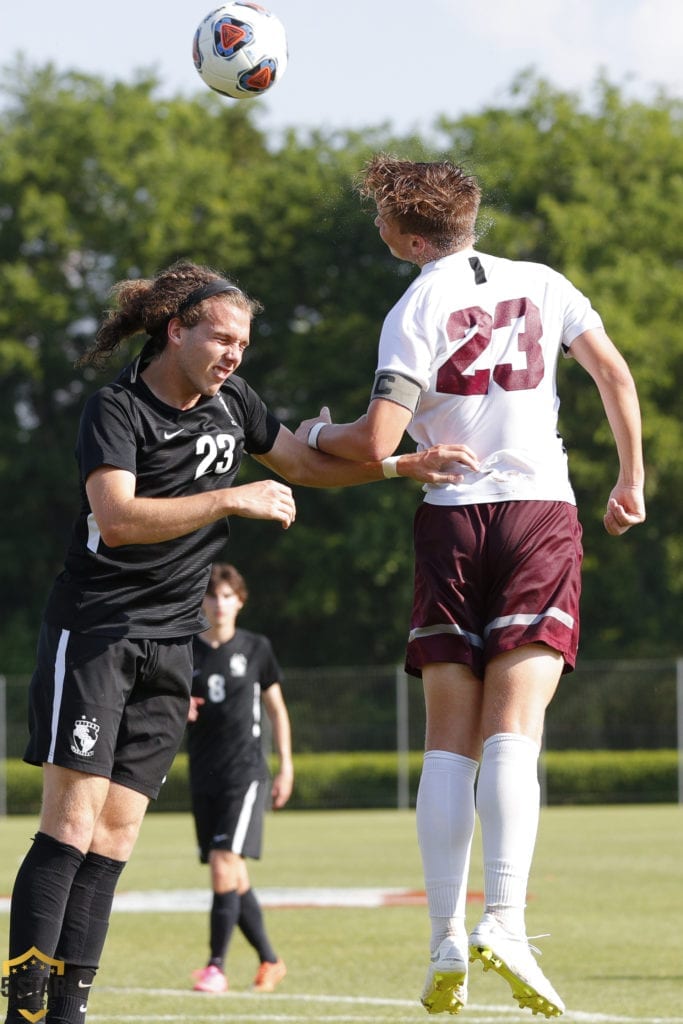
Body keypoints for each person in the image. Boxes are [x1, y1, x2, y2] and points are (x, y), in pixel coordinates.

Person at [3, 258, 477, 1024]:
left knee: (115, 840)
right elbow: (119, 520)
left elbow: (303, 466)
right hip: (95, 636)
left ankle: (68, 1013)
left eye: (243, 345)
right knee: (69, 826)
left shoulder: (235, 404)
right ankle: (21, 1014)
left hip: (172, 647)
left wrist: (398, 466)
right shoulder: (115, 408)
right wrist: (232, 496)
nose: (233, 355)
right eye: (221, 338)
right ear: (175, 330)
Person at [295, 156, 645, 1018]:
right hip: (538, 515)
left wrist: (312, 429)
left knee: (448, 739)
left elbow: (374, 441)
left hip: (451, 518)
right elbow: (613, 375)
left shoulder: (414, 305)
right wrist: (629, 480)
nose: (378, 229)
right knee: (513, 730)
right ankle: (506, 923)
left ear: (411, 238)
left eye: (381, 219)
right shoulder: (543, 281)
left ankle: (445, 934)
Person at [187, 563, 291, 995]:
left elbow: (276, 709)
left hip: (244, 773)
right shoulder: (187, 650)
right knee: (235, 876)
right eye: (212, 596)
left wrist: (286, 764)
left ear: (240, 601)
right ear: (203, 602)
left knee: (222, 864)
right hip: (203, 773)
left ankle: (215, 967)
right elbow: (170, 703)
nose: (219, 603)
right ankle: (270, 959)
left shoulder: (256, 648)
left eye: (227, 595)